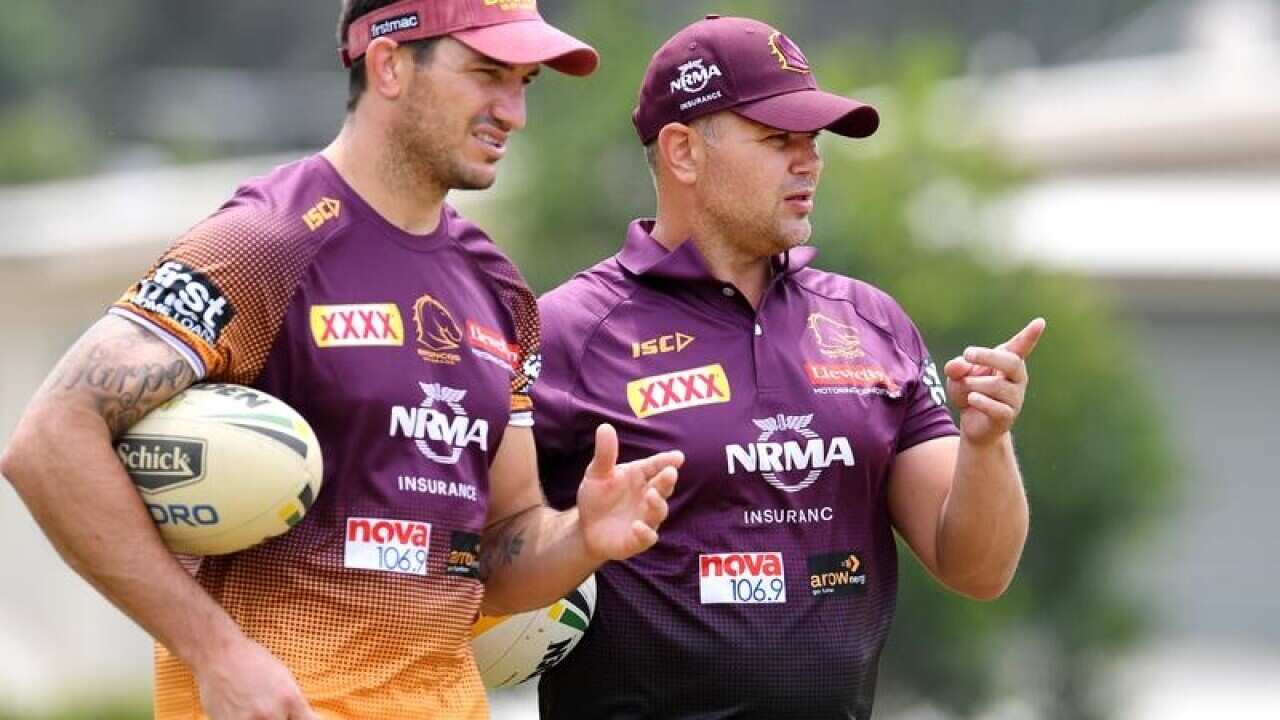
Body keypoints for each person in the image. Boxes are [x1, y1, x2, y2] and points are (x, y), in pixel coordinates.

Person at [0, 2, 684, 718]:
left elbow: (498, 550)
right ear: (388, 63)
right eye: (486, 74)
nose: (511, 111)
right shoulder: (264, 242)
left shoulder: (501, 290)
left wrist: (581, 536)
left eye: (525, 83)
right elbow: (50, 442)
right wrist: (215, 652)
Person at [531, 14, 1045, 720]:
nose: (809, 161)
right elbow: (486, 556)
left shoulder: (872, 322)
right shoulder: (566, 331)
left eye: (813, 141)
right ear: (682, 151)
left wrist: (987, 442)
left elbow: (978, 569)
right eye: (778, 140)